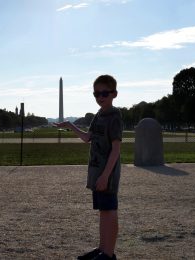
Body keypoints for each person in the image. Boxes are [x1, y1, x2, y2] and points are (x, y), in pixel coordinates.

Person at [55, 75, 122, 260]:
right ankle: (102, 248)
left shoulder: (114, 116)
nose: (100, 97)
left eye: (104, 93)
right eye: (96, 93)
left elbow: (116, 149)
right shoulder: (98, 116)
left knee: (110, 211)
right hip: (97, 171)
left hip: (106, 173)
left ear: (114, 94)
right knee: (103, 211)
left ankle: (108, 253)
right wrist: (69, 125)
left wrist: (105, 175)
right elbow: (87, 138)